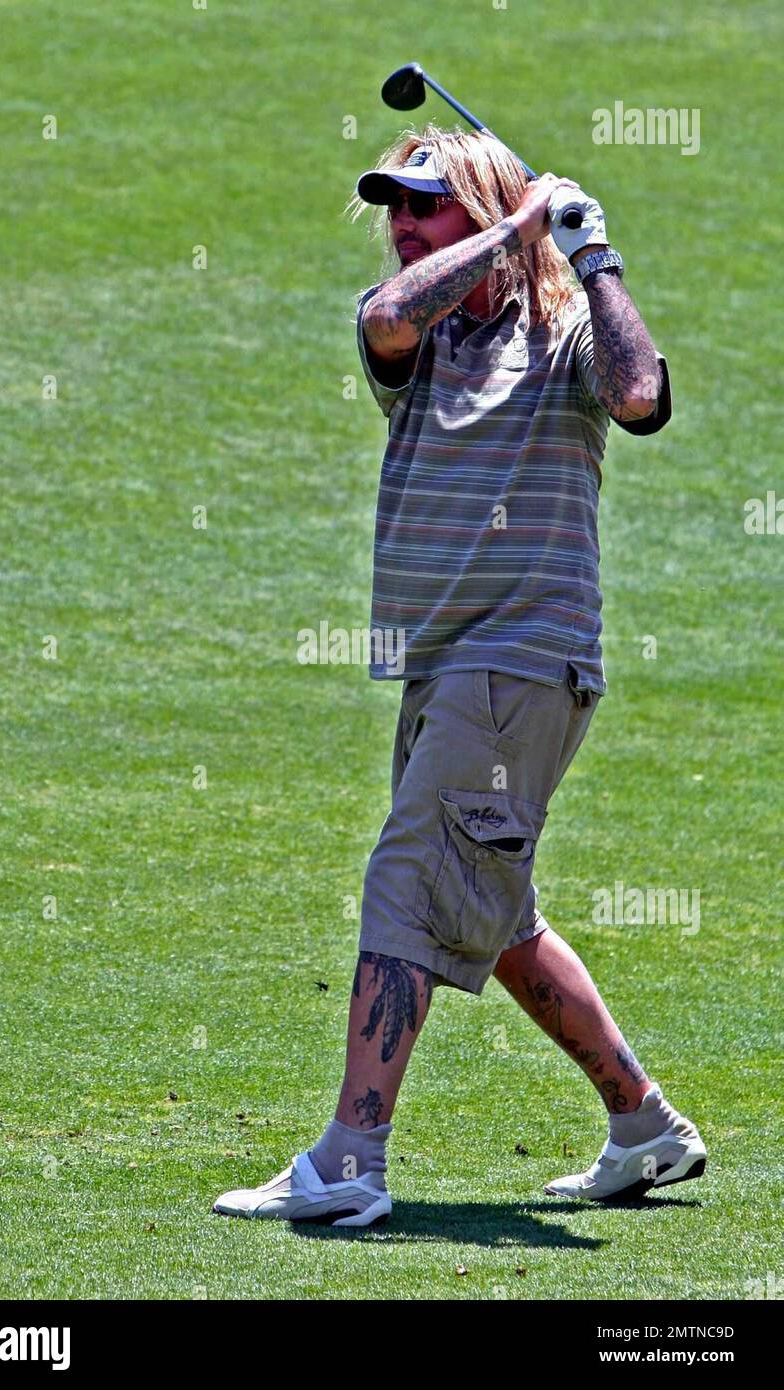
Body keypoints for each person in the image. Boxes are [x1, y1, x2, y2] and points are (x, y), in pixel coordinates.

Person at [213, 126, 705, 1227]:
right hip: (443, 669)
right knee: (498, 916)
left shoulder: (570, 332)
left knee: (405, 880)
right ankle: (645, 1128)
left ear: (478, 208)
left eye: (425, 204)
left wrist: (594, 256)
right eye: (394, 206)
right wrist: (517, 229)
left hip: (519, 660)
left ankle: (349, 1157)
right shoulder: (418, 333)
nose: (401, 224)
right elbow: (386, 317)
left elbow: (638, 398)